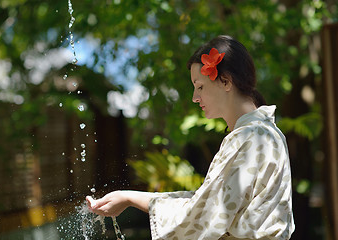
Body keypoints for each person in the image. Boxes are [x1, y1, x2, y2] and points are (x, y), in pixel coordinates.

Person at [86, 35, 295, 240]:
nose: (195, 97)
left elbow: (202, 216)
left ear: (226, 81)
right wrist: (129, 197)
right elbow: (206, 203)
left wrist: (131, 198)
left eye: (200, 86)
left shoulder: (251, 137)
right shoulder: (262, 132)